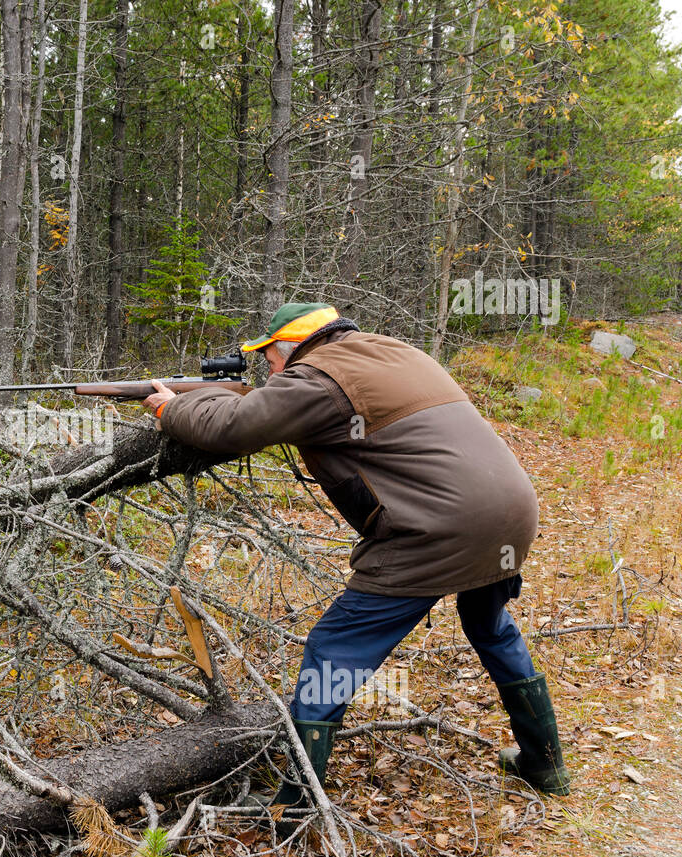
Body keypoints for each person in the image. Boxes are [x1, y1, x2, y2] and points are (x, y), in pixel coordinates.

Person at [142, 302, 570, 808]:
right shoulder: (391, 351)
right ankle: (545, 765)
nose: (270, 373)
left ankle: (297, 804)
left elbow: (230, 428)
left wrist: (171, 407)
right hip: (509, 514)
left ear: (291, 348)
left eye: (271, 361)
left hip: (436, 530)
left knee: (333, 650)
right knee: (490, 625)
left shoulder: (316, 379)